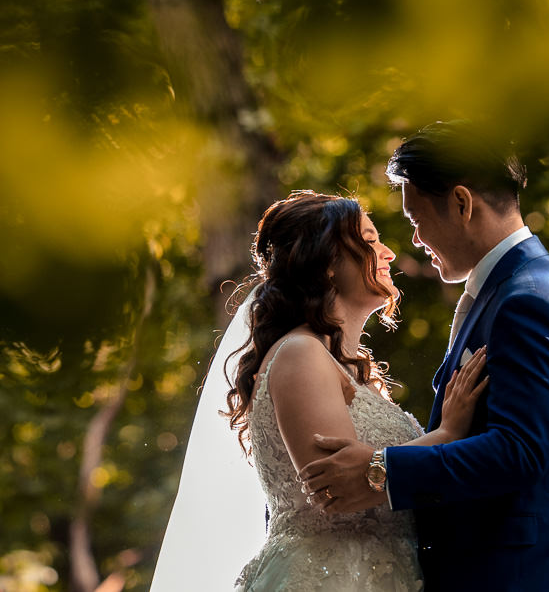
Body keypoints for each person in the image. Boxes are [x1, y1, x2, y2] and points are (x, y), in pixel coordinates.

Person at [299, 122, 549, 591]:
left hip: (526, 576)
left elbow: (519, 451)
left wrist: (379, 471)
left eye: (416, 220)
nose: (415, 239)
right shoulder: (510, 290)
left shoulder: (530, 299)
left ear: (462, 204)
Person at [154, 190, 488, 592]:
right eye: (368, 240)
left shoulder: (346, 366)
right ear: (328, 263)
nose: (388, 253)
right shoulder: (300, 354)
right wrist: (447, 436)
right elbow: (336, 490)